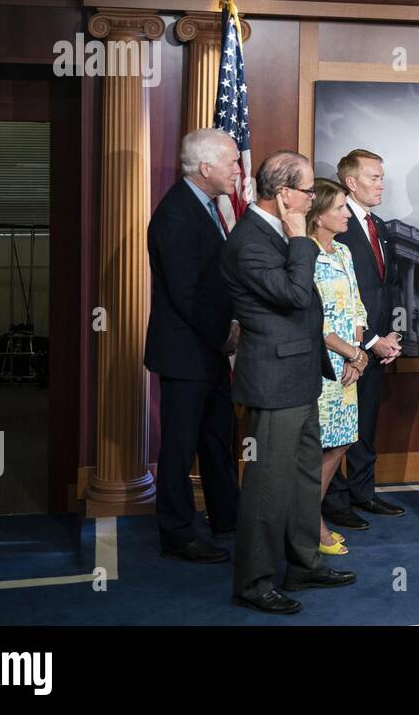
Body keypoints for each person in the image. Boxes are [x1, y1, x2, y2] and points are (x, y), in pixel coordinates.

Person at [220, 150, 355, 614]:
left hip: (301, 377)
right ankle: (254, 582)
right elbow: (297, 296)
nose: (312, 198)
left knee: (300, 480)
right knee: (267, 485)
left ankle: (303, 563)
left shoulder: (273, 232)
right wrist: (300, 240)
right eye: (306, 191)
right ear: (283, 195)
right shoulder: (251, 241)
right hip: (274, 381)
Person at [145, 128, 241, 563]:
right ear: (206, 168)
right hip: (187, 354)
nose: (238, 170)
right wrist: (225, 335)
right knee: (180, 448)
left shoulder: (204, 206)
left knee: (218, 438)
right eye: (232, 162)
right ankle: (178, 533)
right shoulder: (176, 213)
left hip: (208, 352)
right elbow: (187, 293)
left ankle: (226, 517)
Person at [321, 148, 406, 533]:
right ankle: (334, 501)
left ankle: (362, 491)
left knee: (364, 423)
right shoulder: (335, 229)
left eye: (382, 177)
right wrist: (369, 342)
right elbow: (336, 300)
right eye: (373, 177)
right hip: (342, 351)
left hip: (376, 347)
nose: (381, 184)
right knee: (337, 430)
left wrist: (390, 335)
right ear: (350, 182)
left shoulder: (381, 226)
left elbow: (387, 287)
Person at [307, 178, 370, 556]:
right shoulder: (304, 254)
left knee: (343, 442)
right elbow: (315, 321)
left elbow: (357, 306)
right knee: (315, 448)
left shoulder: (344, 252)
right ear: (317, 216)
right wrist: (350, 353)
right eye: (340, 208)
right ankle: (310, 523)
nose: (347, 214)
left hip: (350, 364)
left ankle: (306, 515)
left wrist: (359, 353)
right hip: (320, 367)